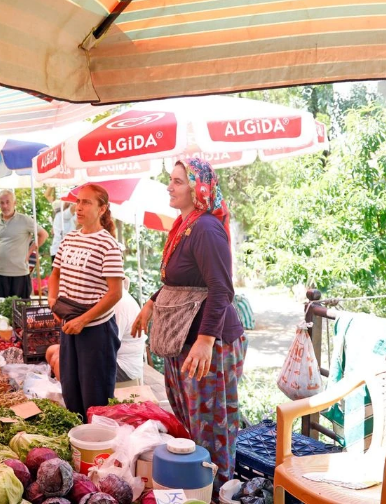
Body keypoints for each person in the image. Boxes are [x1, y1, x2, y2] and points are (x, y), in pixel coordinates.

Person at [131, 159, 247, 494]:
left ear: (199, 189)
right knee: (192, 425)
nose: (170, 186)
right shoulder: (185, 226)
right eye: (171, 179)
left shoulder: (207, 229)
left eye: (178, 181)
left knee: (211, 427)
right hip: (184, 341)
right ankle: (196, 491)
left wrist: (205, 339)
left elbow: (222, 288)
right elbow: (179, 278)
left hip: (209, 344)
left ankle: (220, 493)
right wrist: (152, 302)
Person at [47, 184, 124, 419]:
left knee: (96, 399)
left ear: (102, 209)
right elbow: (55, 275)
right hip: (69, 326)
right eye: (78, 202)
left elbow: (115, 293)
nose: (79, 207)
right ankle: (79, 445)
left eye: (86, 202)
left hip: (96, 332)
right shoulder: (69, 239)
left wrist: (83, 320)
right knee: (71, 393)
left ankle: (97, 448)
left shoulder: (108, 245)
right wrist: (52, 302)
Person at [46, 277, 147, 383]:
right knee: (52, 351)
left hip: (122, 366)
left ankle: (75, 396)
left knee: (61, 363)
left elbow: (105, 347)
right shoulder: (104, 297)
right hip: (105, 354)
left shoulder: (117, 305)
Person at [0, 189, 48, 299]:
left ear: (14, 203)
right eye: (2, 202)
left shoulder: (25, 220)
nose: (5, 206)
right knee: (1, 310)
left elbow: (43, 235)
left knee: (21, 309)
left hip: (19, 273)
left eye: (8, 202)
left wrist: (29, 252)